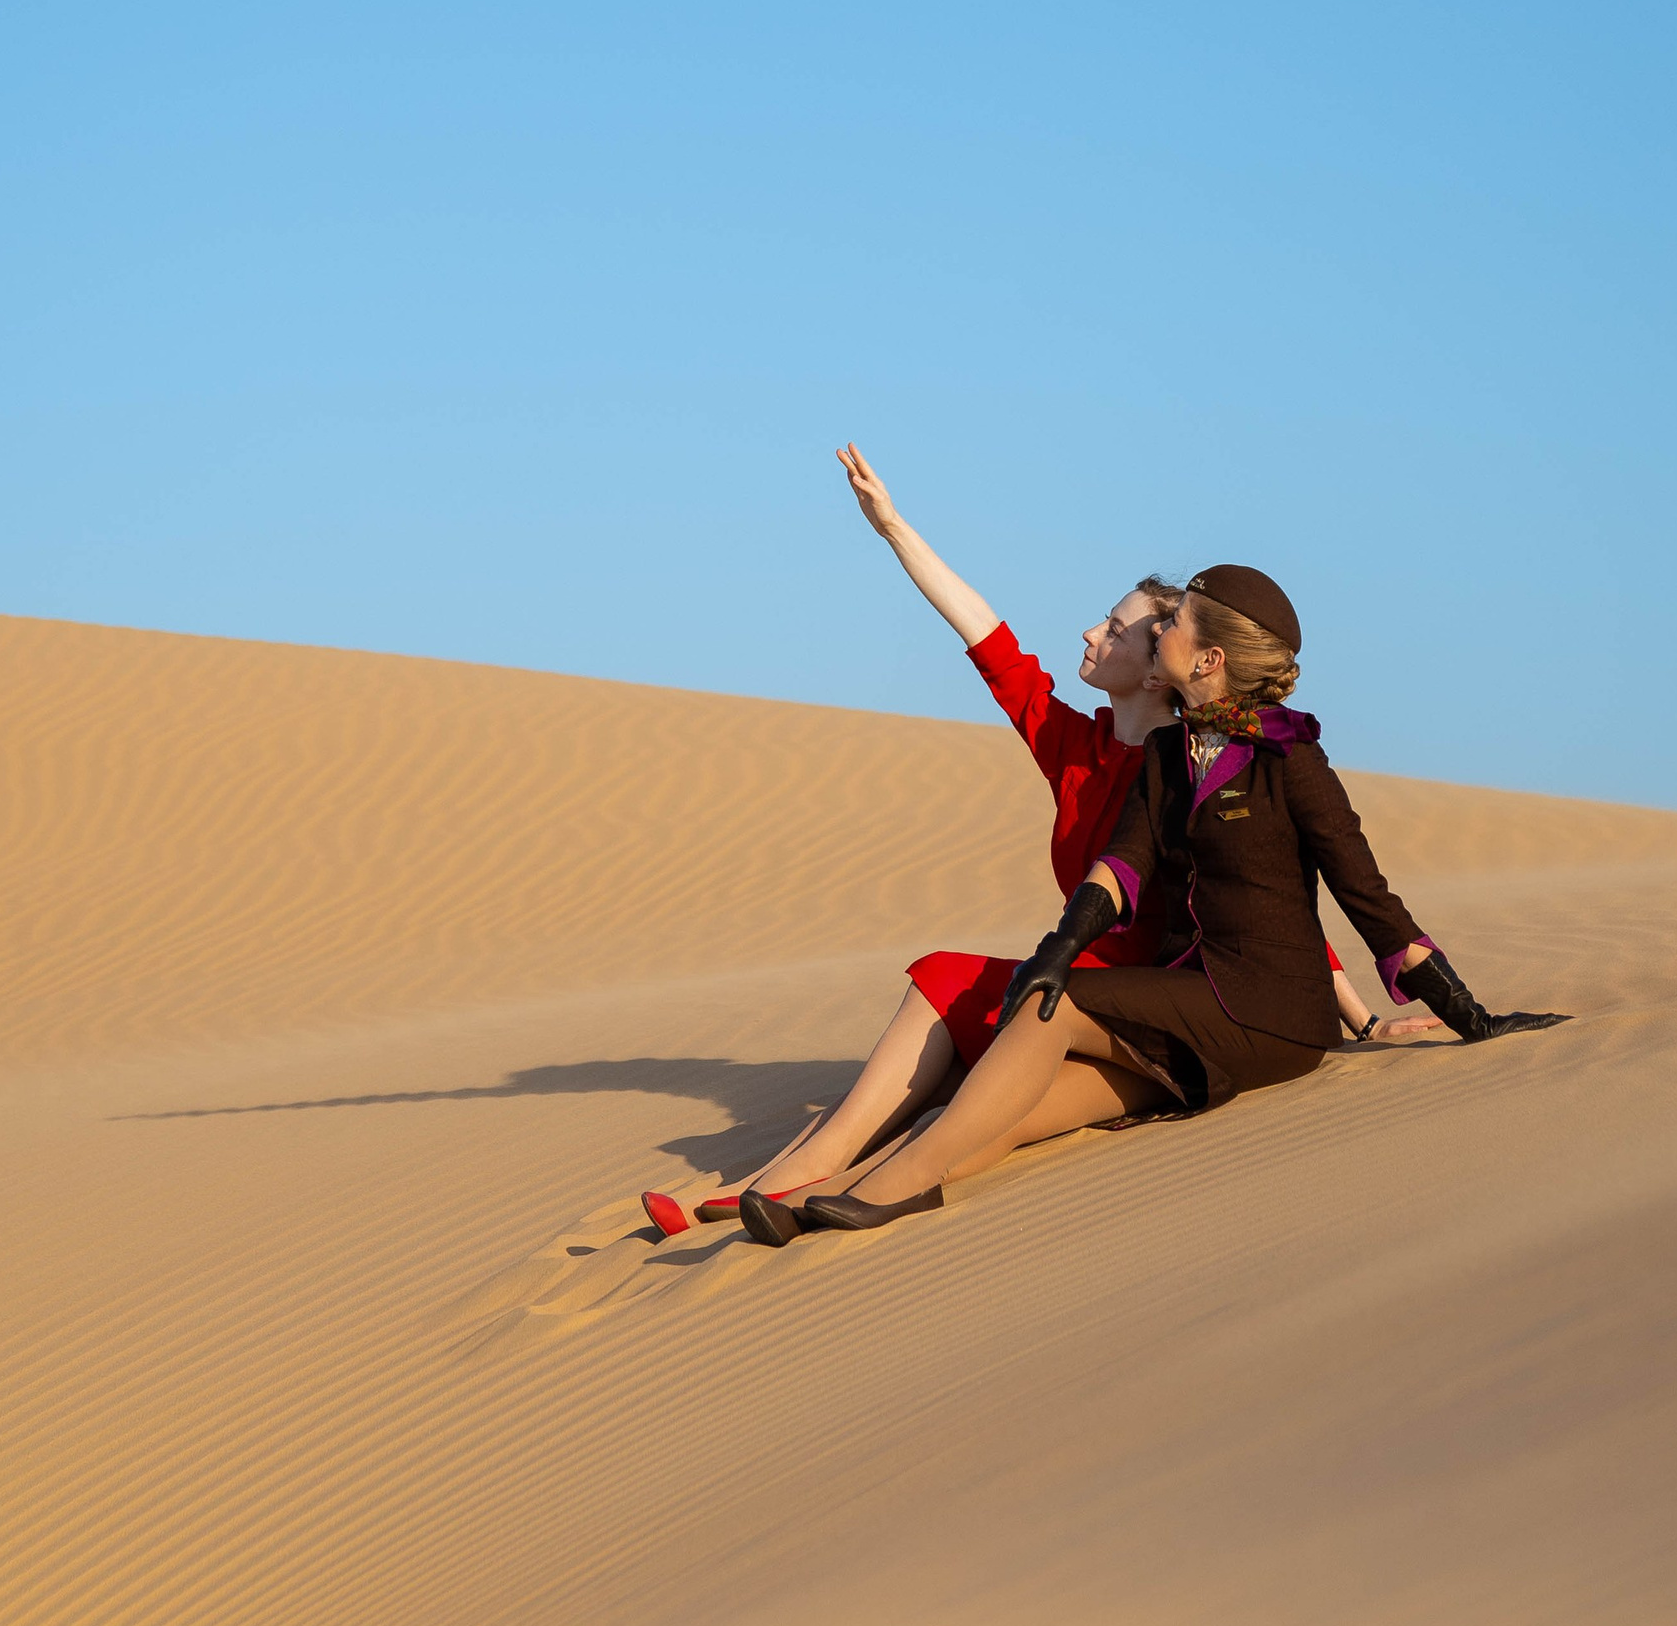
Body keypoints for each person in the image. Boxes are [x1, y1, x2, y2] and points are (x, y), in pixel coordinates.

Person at [636, 457, 1442, 1244]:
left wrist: (1362, 1020)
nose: (1092, 632)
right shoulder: (1075, 744)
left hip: (1151, 991)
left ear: (1164, 664)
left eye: (1120, 627)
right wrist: (893, 528)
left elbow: (1270, 895)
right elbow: (987, 638)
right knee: (944, 981)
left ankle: (817, 1183)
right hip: (1073, 970)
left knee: (978, 1045)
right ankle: (786, 1178)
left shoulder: (1187, 761)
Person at [764, 561, 1566, 1237]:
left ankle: (895, 1185)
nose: (1160, 629)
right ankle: (842, 1190)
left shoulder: (1290, 759)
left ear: (1210, 656)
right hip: (1197, 1002)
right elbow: (1123, 867)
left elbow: (1369, 899)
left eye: (1174, 619)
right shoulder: (1167, 753)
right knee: (1040, 1098)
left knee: (1061, 1005)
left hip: (1272, 1012)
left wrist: (1472, 1016)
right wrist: (1060, 945)